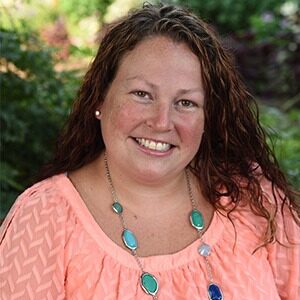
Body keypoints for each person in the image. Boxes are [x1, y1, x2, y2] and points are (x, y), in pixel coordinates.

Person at [1, 3, 299, 300]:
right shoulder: (44, 219)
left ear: (208, 117)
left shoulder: (252, 197)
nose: (161, 122)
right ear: (100, 99)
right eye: (142, 94)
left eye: (186, 103)